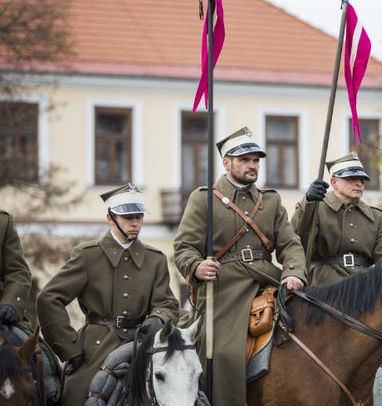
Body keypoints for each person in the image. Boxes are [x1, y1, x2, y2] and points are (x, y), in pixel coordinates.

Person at [174, 126, 307, 406]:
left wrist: (293, 273)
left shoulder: (270, 201)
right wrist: (197, 266)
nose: (252, 166)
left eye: (256, 160)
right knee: (223, 351)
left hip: (266, 276)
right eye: (245, 160)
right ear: (226, 163)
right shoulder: (204, 199)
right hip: (224, 285)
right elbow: (184, 247)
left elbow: (290, 244)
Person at [37, 183, 179, 406]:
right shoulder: (87, 256)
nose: (135, 223)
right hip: (93, 349)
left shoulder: (156, 259)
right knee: (74, 397)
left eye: (138, 217)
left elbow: (168, 303)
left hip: (141, 345)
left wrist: (158, 318)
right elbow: (49, 299)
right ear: (110, 219)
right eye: (127, 217)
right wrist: (69, 348)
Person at [292, 152, 382, 286]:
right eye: (352, 178)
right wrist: (308, 202)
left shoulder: (377, 217)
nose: (359, 183)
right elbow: (296, 239)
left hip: (365, 284)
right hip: (324, 284)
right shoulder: (317, 208)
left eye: (362, 180)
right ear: (334, 183)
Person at [0, 209, 31, 327]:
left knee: (31, 344)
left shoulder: (3, 222)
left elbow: (17, 272)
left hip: (1, 317)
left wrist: (10, 303)